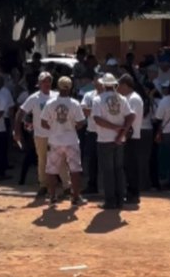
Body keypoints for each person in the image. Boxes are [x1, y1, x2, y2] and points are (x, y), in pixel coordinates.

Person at [16, 72, 68, 198]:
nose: (47, 84)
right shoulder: (34, 98)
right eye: (44, 81)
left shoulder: (57, 96)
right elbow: (20, 112)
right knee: (42, 160)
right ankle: (43, 185)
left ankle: (67, 186)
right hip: (41, 134)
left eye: (49, 81)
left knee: (61, 160)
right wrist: (17, 130)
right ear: (39, 83)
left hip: (56, 134)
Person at [40, 76, 87, 206]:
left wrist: (54, 128)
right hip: (71, 140)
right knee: (75, 169)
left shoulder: (50, 103)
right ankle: (76, 197)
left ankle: (52, 197)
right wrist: (72, 127)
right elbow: (81, 122)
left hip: (55, 140)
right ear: (70, 88)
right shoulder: (75, 103)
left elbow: (43, 122)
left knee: (51, 170)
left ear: (58, 87)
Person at [91, 73, 132, 210]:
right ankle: (120, 200)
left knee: (108, 171)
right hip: (119, 139)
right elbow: (131, 116)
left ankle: (110, 201)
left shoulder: (98, 99)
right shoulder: (122, 98)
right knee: (118, 170)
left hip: (104, 139)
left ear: (103, 84)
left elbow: (97, 119)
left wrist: (114, 128)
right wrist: (122, 132)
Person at [118, 74, 145, 205]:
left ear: (125, 85)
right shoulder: (128, 97)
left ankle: (134, 194)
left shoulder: (133, 98)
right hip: (129, 136)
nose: (118, 89)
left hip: (132, 136)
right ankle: (130, 192)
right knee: (127, 166)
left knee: (131, 167)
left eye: (120, 86)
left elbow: (131, 116)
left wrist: (123, 131)